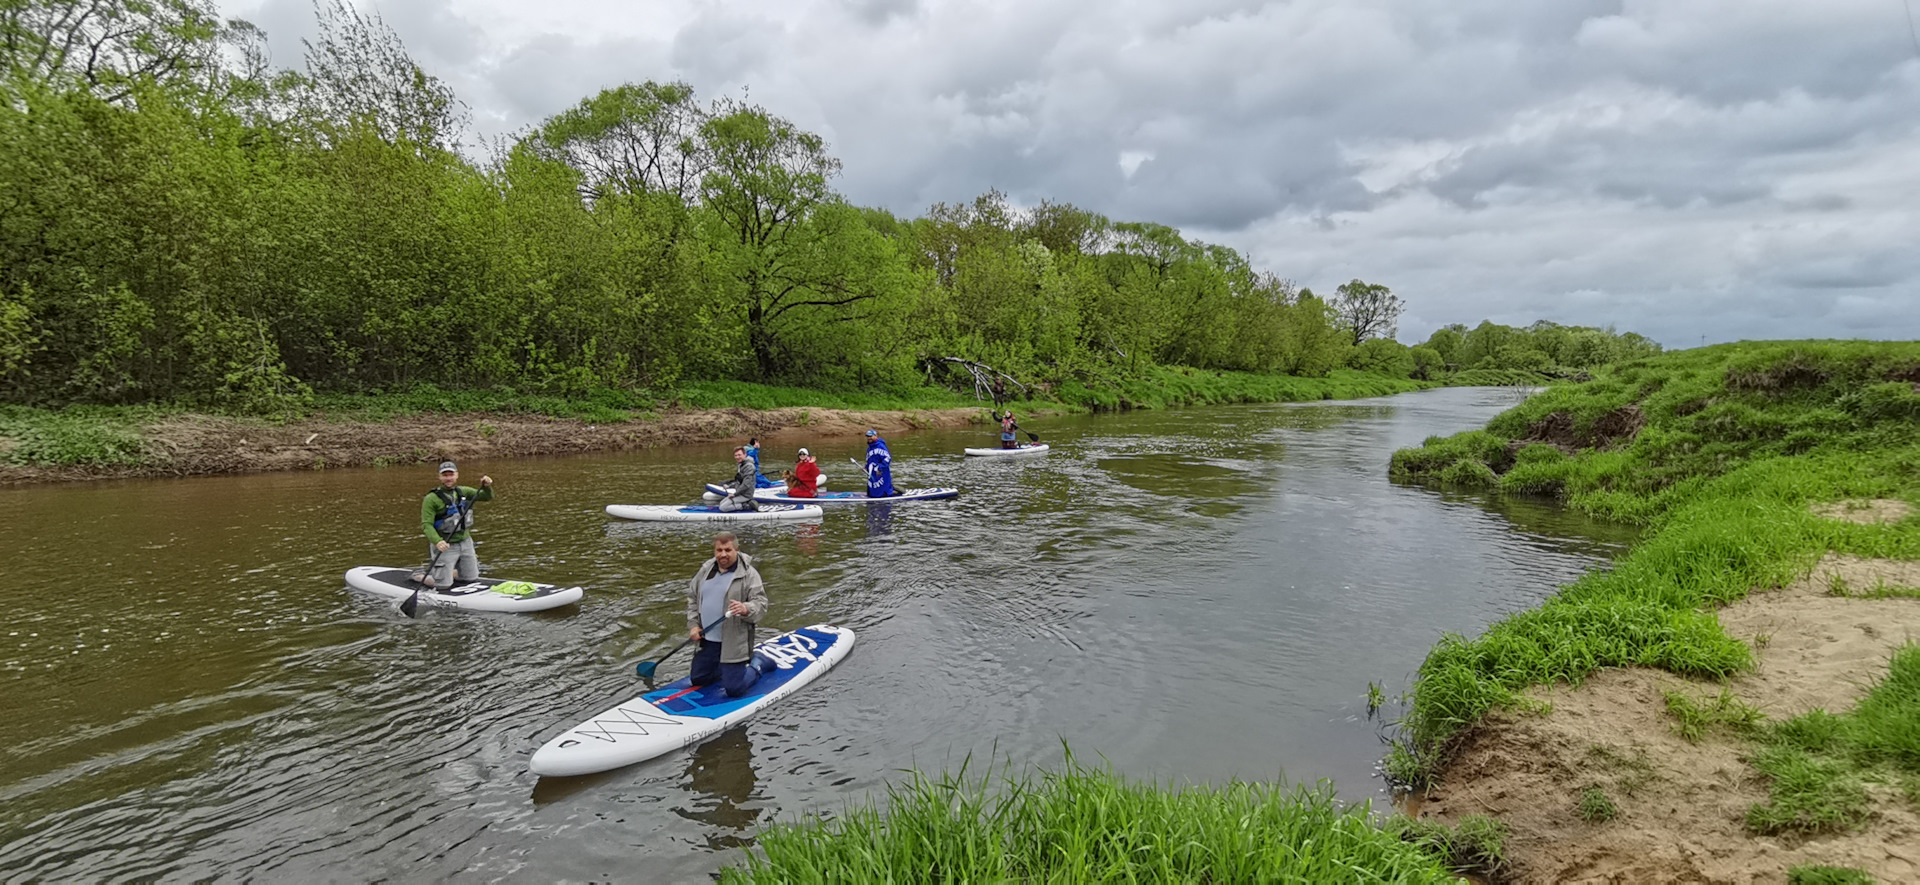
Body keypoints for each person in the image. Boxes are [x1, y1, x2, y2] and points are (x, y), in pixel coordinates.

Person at [686, 532, 772, 697]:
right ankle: (724, 669)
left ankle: (758, 663)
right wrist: (694, 626)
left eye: (728, 550)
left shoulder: (749, 574)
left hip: (734, 643)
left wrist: (746, 608)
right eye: (719, 550)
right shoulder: (705, 571)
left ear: (737, 550)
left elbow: (761, 604)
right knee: (699, 679)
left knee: (734, 689)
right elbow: (692, 598)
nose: (723, 554)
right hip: (708, 641)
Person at [420, 460, 493, 587]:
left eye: (451, 474)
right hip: (445, 544)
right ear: (440, 477)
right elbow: (427, 525)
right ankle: (421, 576)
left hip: (465, 542)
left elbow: (487, 497)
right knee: (443, 585)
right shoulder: (431, 499)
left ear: (457, 475)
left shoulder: (463, 491)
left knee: (470, 579)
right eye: (445, 475)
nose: (448, 478)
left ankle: (450, 572)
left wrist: (487, 486)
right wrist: (438, 541)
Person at [719, 447, 759, 512]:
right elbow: (739, 481)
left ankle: (747, 506)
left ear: (745, 455)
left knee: (723, 508)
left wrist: (734, 494)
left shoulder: (749, 467)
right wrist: (729, 486)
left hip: (745, 495)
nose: (737, 457)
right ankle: (741, 504)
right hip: (740, 493)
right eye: (736, 455)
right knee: (721, 503)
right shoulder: (741, 465)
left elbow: (746, 484)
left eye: (739, 455)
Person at [862, 429, 898, 497]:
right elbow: (870, 461)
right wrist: (866, 467)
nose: (869, 438)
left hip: (881, 472)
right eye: (868, 436)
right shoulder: (869, 449)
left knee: (882, 489)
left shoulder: (881, 446)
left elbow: (887, 458)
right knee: (873, 489)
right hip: (872, 474)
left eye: (871, 436)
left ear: (875, 436)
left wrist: (880, 468)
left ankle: (888, 493)